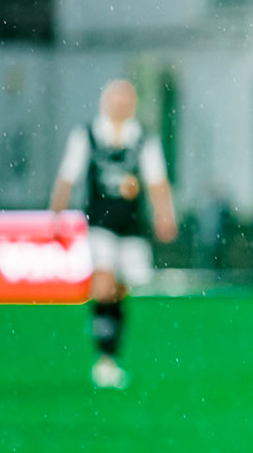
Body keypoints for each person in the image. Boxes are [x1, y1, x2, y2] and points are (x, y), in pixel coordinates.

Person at [49, 79, 178, 389]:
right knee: (103, 284)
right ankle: (104, 359)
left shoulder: (143, 139)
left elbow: (156, 181)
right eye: (116, 100)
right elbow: (68, 176)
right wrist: (56, 213)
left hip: (132, 226)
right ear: (105, 102)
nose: (121, 106)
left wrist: (165, 215)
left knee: (121, 289)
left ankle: (111, 351)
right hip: (100, 223)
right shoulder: (88, 135)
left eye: (126, 100)